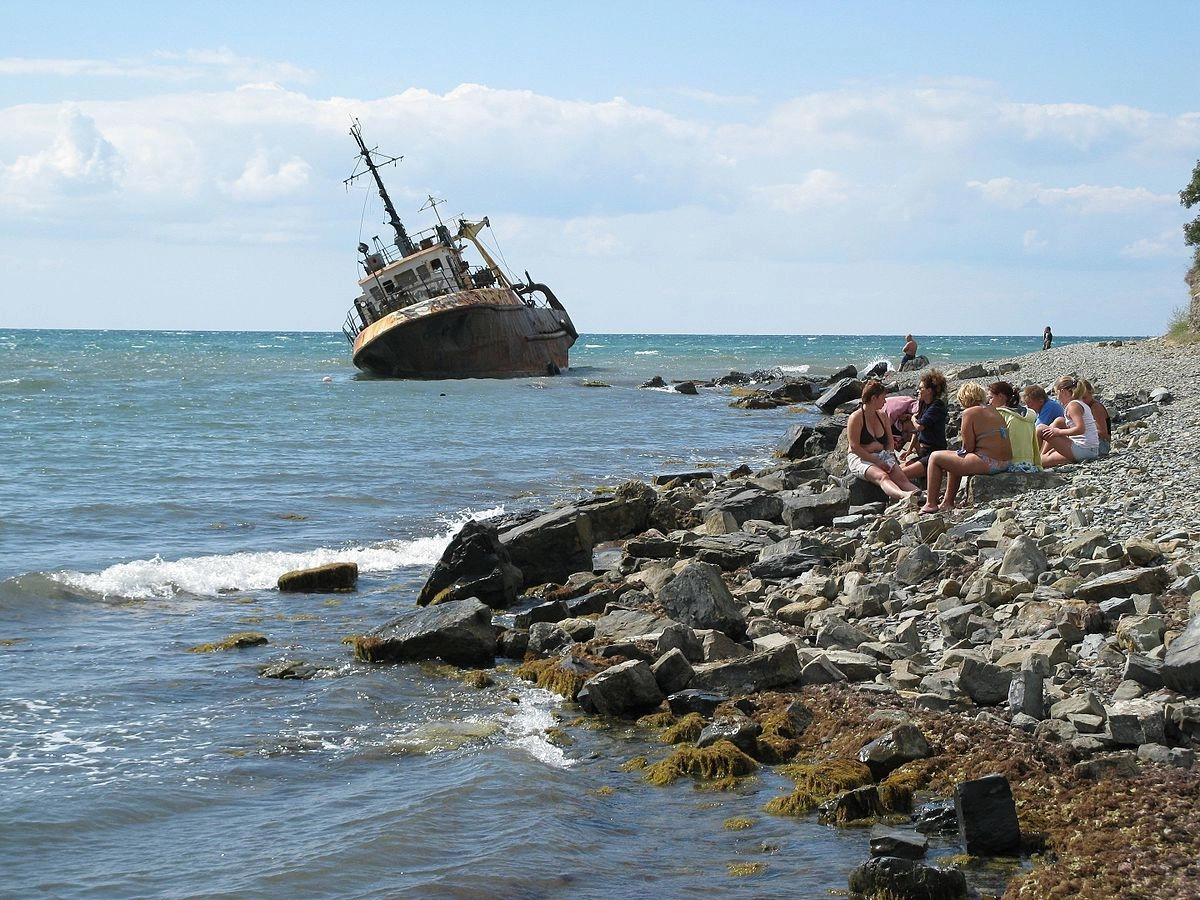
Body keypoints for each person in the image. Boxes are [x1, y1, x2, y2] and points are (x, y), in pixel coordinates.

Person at [920, 382, 1013, 514]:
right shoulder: (993, 409)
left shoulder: (970, 412)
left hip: (989, 462)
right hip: (1005, 462)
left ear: (964, 398)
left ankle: (930, 504)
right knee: (953, 460)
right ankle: (947, 501)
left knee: (935, 457)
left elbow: (968, 447)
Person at [846, 379, 920, 500]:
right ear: (874, 398)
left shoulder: (882, 415)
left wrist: (888, 456)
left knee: (901, 478)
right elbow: (854, 447)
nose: (885, 401)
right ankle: (904, 496)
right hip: (860, 457)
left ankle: (923, 496)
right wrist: (875, 460)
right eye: (883, 398)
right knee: (883, 476)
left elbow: (890, 442)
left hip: (882, 454)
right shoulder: (856, 417)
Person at [1037, 375, 1100, 467]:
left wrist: (1059, 432)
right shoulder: (1080, 403)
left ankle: (1039, 457)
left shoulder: (1073, 406)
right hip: (1090, 450)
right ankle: (1041, 455)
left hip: (1084, 450)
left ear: (1063, 392)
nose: (1057, 397)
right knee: (1059, 421)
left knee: (1040, 429)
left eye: (1056, 393)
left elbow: (1080, 429)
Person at [899, 368, 948, 480]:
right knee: (896, 471)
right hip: (923, 452)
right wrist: (909, 449)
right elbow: (917, 431)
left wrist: (911, 418)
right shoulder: (923, 404)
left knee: (901, 476)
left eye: (921, 388)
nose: (918, 390)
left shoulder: (937, 406)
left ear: (929, 390)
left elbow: (920, 426)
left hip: (934, 453)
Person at [1080, 379, 1111, 456]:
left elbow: (1103, 433)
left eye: (1084, 397)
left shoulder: (1095, 407)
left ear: (1091, 393)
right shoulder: (1084, 407)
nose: (1082, 401)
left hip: (1101, 444)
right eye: (1079, 399)